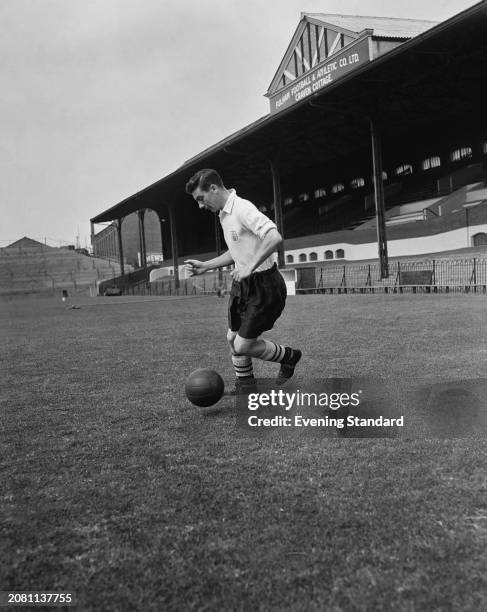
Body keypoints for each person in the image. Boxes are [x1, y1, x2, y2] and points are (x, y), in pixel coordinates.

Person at [184, 168, 301, 392]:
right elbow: (235, 251)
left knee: (242, 344)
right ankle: (246, 384)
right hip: (243, 285)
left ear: (213, 188)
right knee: (232, 338)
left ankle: (289, 356)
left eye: (201, 198)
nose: (200, 205)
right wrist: (205, 266)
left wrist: (249, 266)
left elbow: (274, 236)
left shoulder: (242, 208)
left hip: (265, 286)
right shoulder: (223, 214)